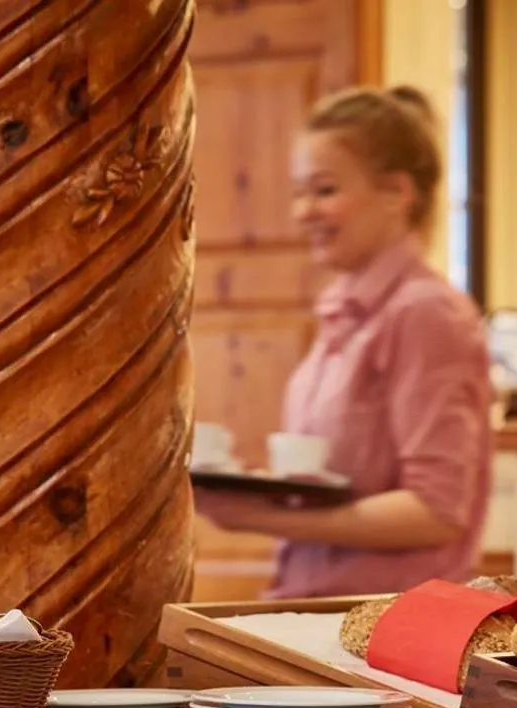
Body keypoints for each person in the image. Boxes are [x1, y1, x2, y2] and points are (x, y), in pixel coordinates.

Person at [193, 85, 493, 598]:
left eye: (324, 190)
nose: (302, 211)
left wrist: (260, 517)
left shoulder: (426, 314)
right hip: (319, 609)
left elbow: (436, 511)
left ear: (397, 192)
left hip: (387, 621)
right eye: (299, 192)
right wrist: (254, 492)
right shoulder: (345, 312)